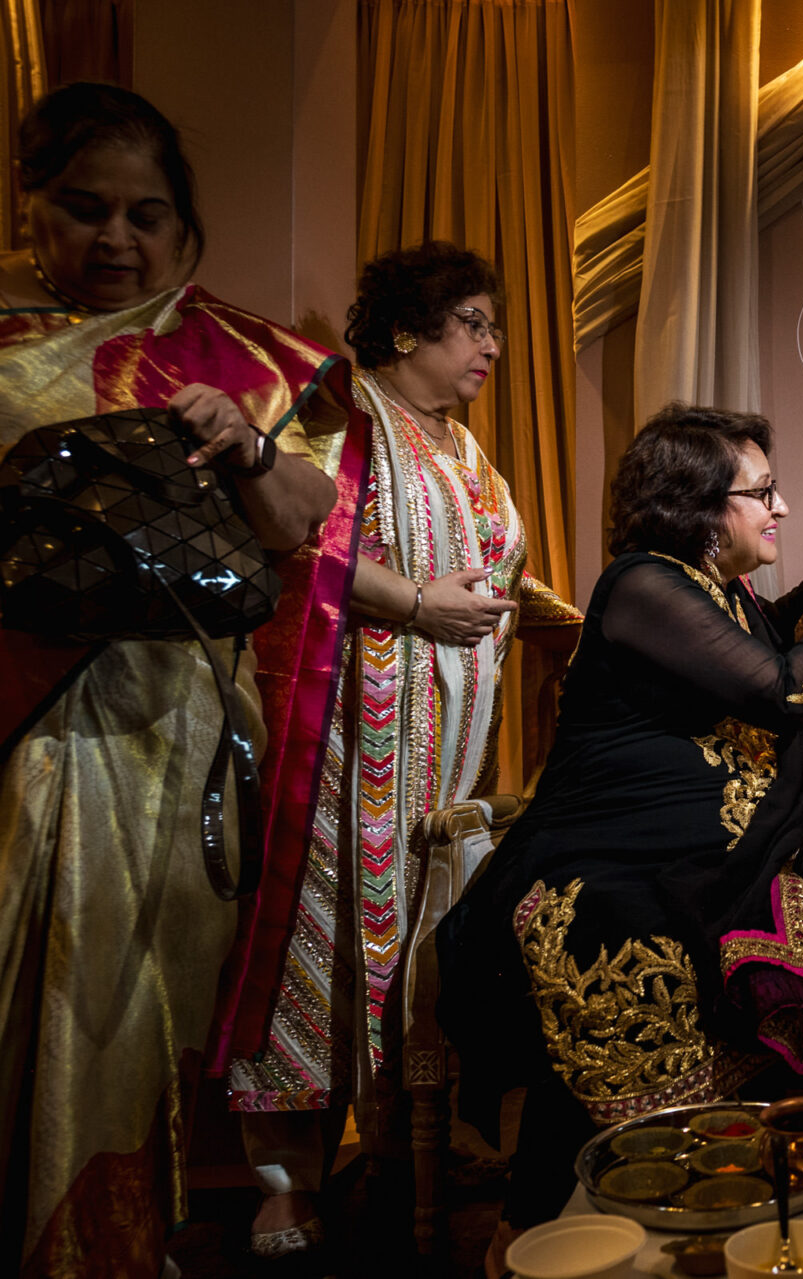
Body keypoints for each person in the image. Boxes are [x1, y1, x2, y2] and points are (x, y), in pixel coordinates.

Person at [0, 83, 351, 1277]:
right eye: (83, 208)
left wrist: (247, 442)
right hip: (23, 726)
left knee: (130, 1001)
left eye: (145, 214)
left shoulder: (240, 354)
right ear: (30, 209)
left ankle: (115, 1244)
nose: (116, 239)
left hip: (171, 733)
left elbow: (305, 520)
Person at [436, 402, 803, 1269]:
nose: (781, 507)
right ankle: (593, 1226)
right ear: (696, 506)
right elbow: (781, 689)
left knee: (785, 931)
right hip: (604, 860)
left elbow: (776, 630)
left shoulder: (716, 587)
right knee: (624, 932)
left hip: (694, 859)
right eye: (761, 492)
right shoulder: (643, 585)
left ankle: (737, 1209)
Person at [218, 241, 579, 1256]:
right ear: (409, 330)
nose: (493, 347)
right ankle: (282, 1181)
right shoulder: (349, 416)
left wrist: (589, 624)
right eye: (474, 324)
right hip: (341, 745)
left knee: (426, 950)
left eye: (495, 327)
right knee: (315, 946)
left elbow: (501, 578)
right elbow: (303, 541)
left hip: (445, 757)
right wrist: (419, 604)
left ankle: (401, 1140)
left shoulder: (465, 448)